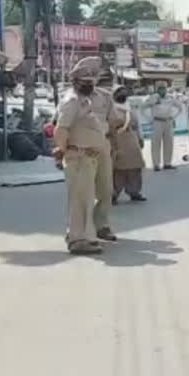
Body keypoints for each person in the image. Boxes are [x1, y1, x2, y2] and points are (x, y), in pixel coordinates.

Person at [53, 58, 107, 255]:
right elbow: (61, 129)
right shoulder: (72, 101)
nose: (89, 85)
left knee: (85, 199)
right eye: (85, 82)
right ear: (75, 82)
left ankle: (82, 235)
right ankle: (79, 239)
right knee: (80, 200)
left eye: (91, 81)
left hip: (87, 157)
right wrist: (62, 152)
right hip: (78, 156)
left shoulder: (84, 100)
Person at [88, 64, 118, 243]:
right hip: (81, 147)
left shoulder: (106, 98)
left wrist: (114, 146)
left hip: (103, 143)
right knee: (83, 192)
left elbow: (112, 122)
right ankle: (82, 230)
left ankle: (102, 226)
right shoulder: (75, 97)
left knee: (105, 188)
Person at [111, 86, 147, 204]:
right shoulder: (110, 109)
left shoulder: (129, 109)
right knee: (118, 170)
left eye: (124, 91)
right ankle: (113, 194)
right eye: (119, 92)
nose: (122, 93)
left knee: (135, 168)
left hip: (132, 141)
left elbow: (137, 125)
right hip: (117, 141)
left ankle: (134, 192)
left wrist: (140, 138)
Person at [144, 80, 184, 171]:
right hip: (157, 122)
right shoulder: (152, 98)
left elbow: (180, 107)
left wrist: (173, 117)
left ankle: (167, 163)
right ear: (156, 89)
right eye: (160, 88)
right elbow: (143, 108)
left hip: (168, 122)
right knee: (156, 144)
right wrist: (149, 118)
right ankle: (156, 164)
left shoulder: (170, 98)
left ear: (166, 89)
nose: (162, 90)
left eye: (163, 88)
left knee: (169, 143)